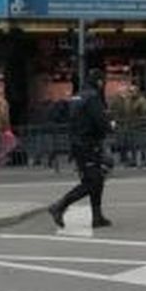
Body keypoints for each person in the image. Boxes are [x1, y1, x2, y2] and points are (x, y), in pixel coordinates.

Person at [46, 69, 115, 229]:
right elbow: (100, 121)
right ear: (99, 81)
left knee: (96, 180)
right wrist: (110, 126)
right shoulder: (92, 97)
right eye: (103, 81)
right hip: (89, 144)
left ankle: (97, 217)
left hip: (78, 144)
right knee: (93, 182)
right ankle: (59, 206)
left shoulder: (77, 96)